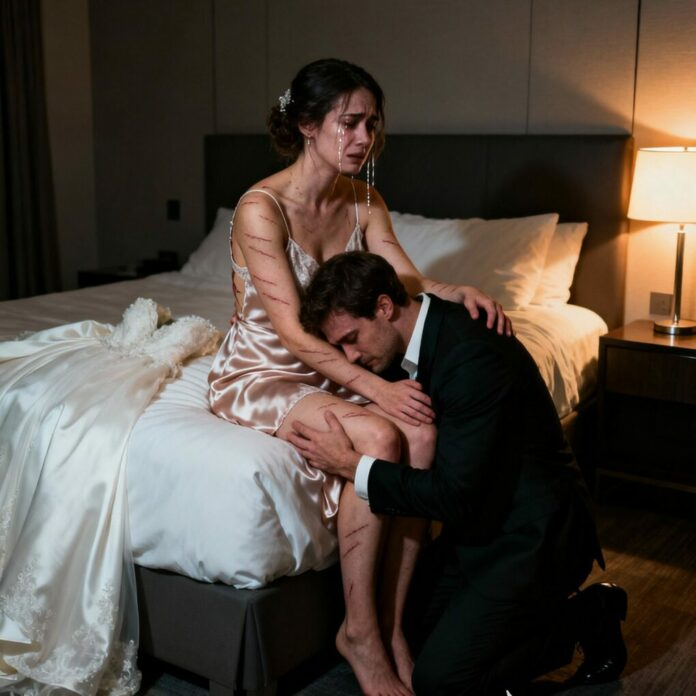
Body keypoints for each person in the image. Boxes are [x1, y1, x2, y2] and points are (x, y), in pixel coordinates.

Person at [208, 58, 510, 695]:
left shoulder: (364, 200)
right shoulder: (260, 209)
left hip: (337, 366)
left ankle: (392, 625)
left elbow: (403, 279)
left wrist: (456, 291)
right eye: (349, 123)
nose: (364, 138)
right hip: (266, 370)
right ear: (308, 125)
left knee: (421, 433)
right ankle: (359, 633)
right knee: (380, 434)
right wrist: (378, 388)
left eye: (372, 124)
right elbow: (293, 334)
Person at [288, 251, 629, 696]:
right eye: (340, 348)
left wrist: (352, 465)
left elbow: (456, 496)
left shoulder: (471, 355)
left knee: (441, 682)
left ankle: (588, 615)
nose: (349, 357)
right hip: (475, 532)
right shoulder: (405, 343)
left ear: (385, 307)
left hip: (535, 537)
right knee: (405, 631)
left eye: (352, 339)